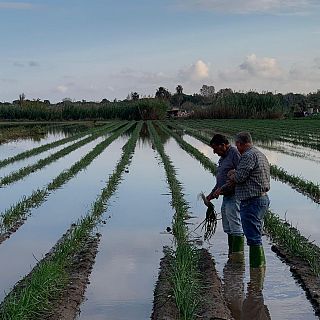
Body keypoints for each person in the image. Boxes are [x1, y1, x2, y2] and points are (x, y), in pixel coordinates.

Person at [228, 132, 270, 268]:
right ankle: (259, 272)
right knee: (255, 236)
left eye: (237, 145)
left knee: (253, 238)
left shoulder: (248, 155)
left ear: (241, 143)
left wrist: (232, 174)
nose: (237, 148)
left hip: (252, 201)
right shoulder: (259, 154)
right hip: (261, 199)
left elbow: (240, 177)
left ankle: (256, 272)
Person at [206, 134, 244, 254]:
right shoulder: (223, 158)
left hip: (235, 195)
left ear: (223, 145)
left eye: (215, 149)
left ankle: (238, 256)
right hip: (226, 196)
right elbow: (221, 180)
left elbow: (240, 175)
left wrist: (221, 189)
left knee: (235, 224)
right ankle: (232, 253)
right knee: (228, 226)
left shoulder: (234, 154)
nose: (214, 152)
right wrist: (212, 194)